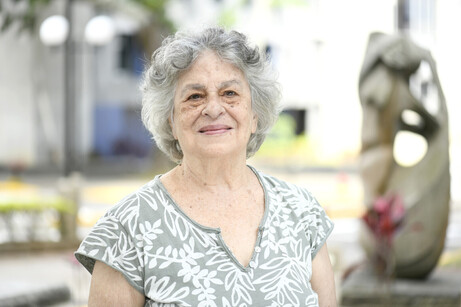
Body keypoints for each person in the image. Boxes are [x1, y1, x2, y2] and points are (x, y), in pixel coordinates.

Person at [75, 27, 336, 307]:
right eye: (195, 97)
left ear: (255, 116)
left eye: (230, 93)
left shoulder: (301, 211)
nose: (213, 108)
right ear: (171, 121)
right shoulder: (126, 228)